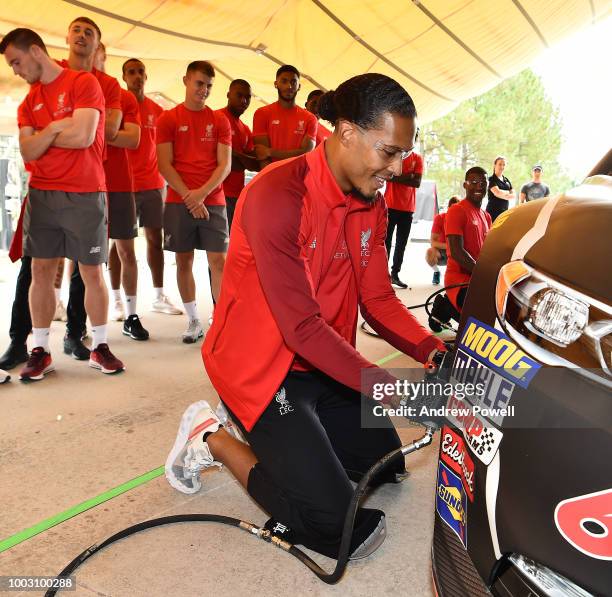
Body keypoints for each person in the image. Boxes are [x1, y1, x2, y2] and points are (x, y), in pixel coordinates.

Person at [165, 73, 446, 560]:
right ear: (346, 132)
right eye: (388, 151)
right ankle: (208, 435)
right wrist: (391, 387)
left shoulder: (371, 204)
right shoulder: (279, 194)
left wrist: (431, 348)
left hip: (324, 364)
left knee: (386, 468)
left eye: (403, 153)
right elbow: (300, 327)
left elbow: (378, 300)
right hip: (263, 372)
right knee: (338, 532)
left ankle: (302, 450)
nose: (398, 167)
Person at [1, 27, 124, 380]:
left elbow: (85, 135)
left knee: (91, 271)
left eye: (17, 62)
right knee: (39, 271)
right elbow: (28, 149)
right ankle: (40, 349)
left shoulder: (84, 83)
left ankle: (100, 346)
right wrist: (57, 128)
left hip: (86, 193)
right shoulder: (28, 102)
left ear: (36, 52)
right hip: (42, 194)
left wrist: (46, 133)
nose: (15, 71)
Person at [156, 61, 231, 343]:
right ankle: (193, 320)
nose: (204, 90)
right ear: (186, 81)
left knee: (219, 261)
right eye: (200, 83)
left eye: (209, 86)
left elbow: (224, 165)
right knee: (183, 259)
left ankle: (221, 320)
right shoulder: (168, 119)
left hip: (212, 199)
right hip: (179, 200)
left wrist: (200, 194)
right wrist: (190, 196)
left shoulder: (219, 120)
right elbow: (164, 164)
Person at [91, 44, 149, 341]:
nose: (93, 56)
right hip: (86, 183)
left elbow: (133, 139)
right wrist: (111, 130)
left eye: (98, 51)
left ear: (103, 56)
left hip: (120, 183)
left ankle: (131, 315)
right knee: (87, 256)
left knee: (127, 251)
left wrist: (90, 129)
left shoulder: (123, 96)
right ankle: (88, 320)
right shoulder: (77, 89)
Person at [121, 58, 182, 316]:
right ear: (124, 77)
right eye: (131, 72)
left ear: (146, 77)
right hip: (123, 186)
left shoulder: (158, 112)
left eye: (140, 72)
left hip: (153, 185)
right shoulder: (118, 106)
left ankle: (158, 295)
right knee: (121, 246)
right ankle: (118, 299)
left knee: (155, 240)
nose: (136, 76)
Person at [445, 167, 492, 311]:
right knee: (486, 309)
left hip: (477, 281)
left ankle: (445, 306)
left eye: (483, 183)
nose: (479, 186)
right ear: (465, 185)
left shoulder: (487, 217)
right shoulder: (456, 210)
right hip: (459, 282)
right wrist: (482, 275)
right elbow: (456, 252)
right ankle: (447, 305)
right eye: (474, 182)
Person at [252, 65, 317, 169]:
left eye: (293, 82)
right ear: (276, 84)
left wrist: (270, 152)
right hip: (271, 178)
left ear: (299, 86)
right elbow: (262, 156)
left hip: (298, 180)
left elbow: (307, 153)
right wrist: (273, 179)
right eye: (284, 81)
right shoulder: (262, 113)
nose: (289, 86)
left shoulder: (310, 118)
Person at [215, 79, 259, 232]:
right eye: (239, 95)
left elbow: (255, 164)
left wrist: (235, 155)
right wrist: (239, 159)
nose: (244, 101)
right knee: (219, 246)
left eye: (247, 97)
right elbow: (218, 160)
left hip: (238, 194)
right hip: (217, 193)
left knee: (234, 244)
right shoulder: (216, 118)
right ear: (228, 94)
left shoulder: (245, 128)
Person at [384, 129, 423, 289]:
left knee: (401, 244)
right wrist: (409, 176)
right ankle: (381, 274)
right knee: (385, 242)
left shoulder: (417, 158)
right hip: (390, 205)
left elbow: (417, 182)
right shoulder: (394, 154)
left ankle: (395, 274)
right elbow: (387, 175)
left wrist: (397, 177)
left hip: (408, 208)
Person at [426, 195, 460, 285]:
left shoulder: (462, 219)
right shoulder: (440, 218)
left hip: (457, 251)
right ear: (448, 208)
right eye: (452, 209)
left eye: (457, 210)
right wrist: (449, 246)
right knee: (430, 252)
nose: (454, 212)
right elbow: (432, 242)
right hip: (442, 251)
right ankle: (436, 272)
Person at [485, 155, 515, 223]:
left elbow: (514, 195)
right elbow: (497, 193)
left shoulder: (506, 180)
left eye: (504, 165)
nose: (502, 166)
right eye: (500, 164)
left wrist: (503, 194)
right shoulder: (491, 179)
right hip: (492, 212)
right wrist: (508, 192)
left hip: (504, 213)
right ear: (495, 165)